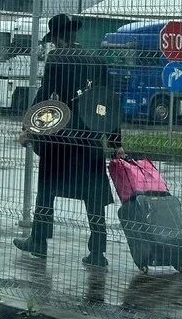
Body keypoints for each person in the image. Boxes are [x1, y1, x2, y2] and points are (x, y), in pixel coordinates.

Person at [14, 14, 124, 267]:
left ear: (59, 38)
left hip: (61, 138)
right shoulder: (97, 59)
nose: (53, 45)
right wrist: (116, 142)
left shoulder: (57, 58)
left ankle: (39, 242)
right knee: (93, 195)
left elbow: (45, 97)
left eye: (54, 40)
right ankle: (97, 252)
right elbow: (106, 103)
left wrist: (28, 128)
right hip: (91, 138)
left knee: (47, 190)